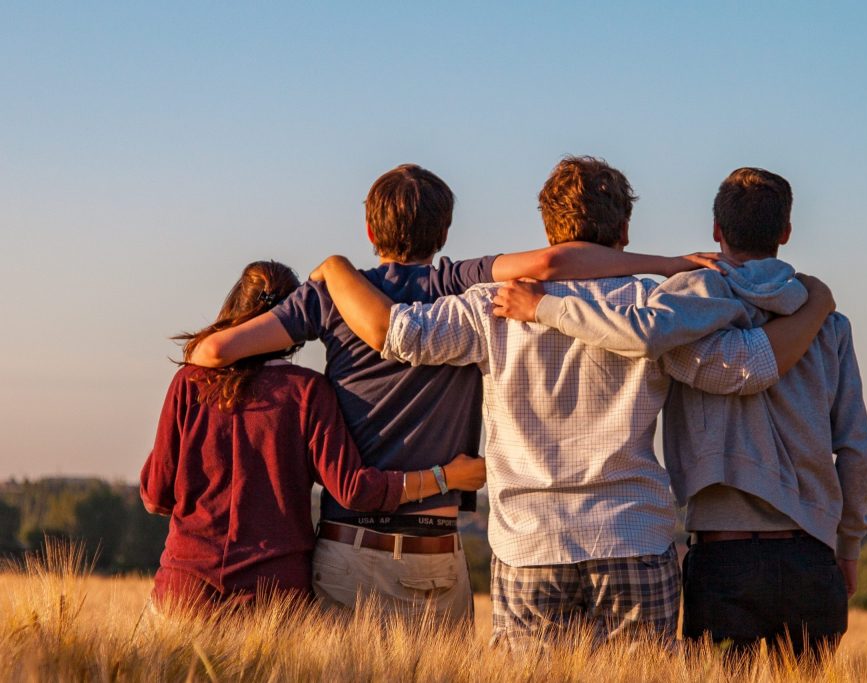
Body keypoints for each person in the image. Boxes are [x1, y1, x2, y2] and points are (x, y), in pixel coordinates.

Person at [309, 157, 835, 648]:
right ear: (624, 233)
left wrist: (335, 269)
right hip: (632, 536)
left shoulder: (489, 306)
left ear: (547, 231)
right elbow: (743, 369)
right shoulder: (656, 308)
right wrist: (815, 307)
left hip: (529, 545)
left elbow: (398, 334)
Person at [186, 164, 722, 623]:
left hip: (351, 543)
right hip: (438, 550)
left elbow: (212, 355)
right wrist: (667, 264)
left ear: (369, 229)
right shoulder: (458, 283)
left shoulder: (330, 296)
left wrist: (328, 275)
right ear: (444, 231)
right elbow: (553, 264)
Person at [494, 167, 867, 658]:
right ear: (785, 233)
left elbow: (639, 334)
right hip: (812, 555)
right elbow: (858, 449)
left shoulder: (682, 308)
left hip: (723, 557)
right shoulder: (828, 323)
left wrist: (545, 307)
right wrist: (848, 544)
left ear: (717, 230)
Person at [141, 260, 485, 612]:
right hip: (274, 597)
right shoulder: (307, 391)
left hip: (184, 589)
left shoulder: (190, 383)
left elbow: (156, 497)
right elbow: (354, 490)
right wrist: (446, 477)